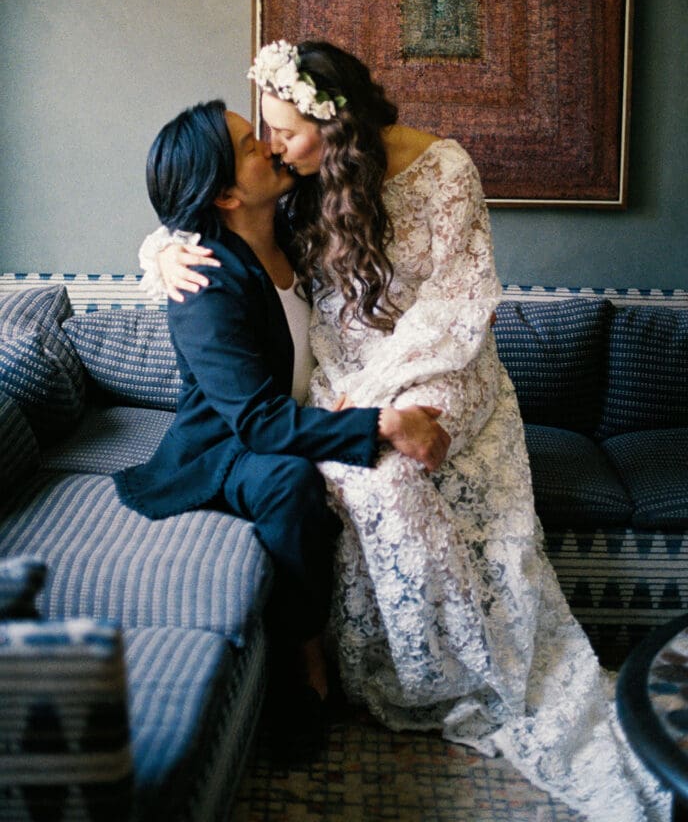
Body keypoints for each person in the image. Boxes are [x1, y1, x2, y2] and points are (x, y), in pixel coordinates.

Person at [142, 44, 669, 821]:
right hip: (345, 384)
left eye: (283, 130)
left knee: (397, 472)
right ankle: (369, 669)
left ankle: (462, 668)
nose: (275, 144)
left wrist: (397, 398)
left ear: (333, 123)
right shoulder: (291, 193)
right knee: (357, 479)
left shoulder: (434, 170)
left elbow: (455, 302)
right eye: (264, 135)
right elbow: (210, 228)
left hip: (440, 364)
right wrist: (159, 246)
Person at [116, 98, 451, 756]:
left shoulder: (296, 223)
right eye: (250, 145)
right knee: (290, 484)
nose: (272, 146)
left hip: (306, 408)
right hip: (226, 446)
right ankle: (303, 665)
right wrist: (383, 425)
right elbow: (259, 422)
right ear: (225, 194)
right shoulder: (202, 282)